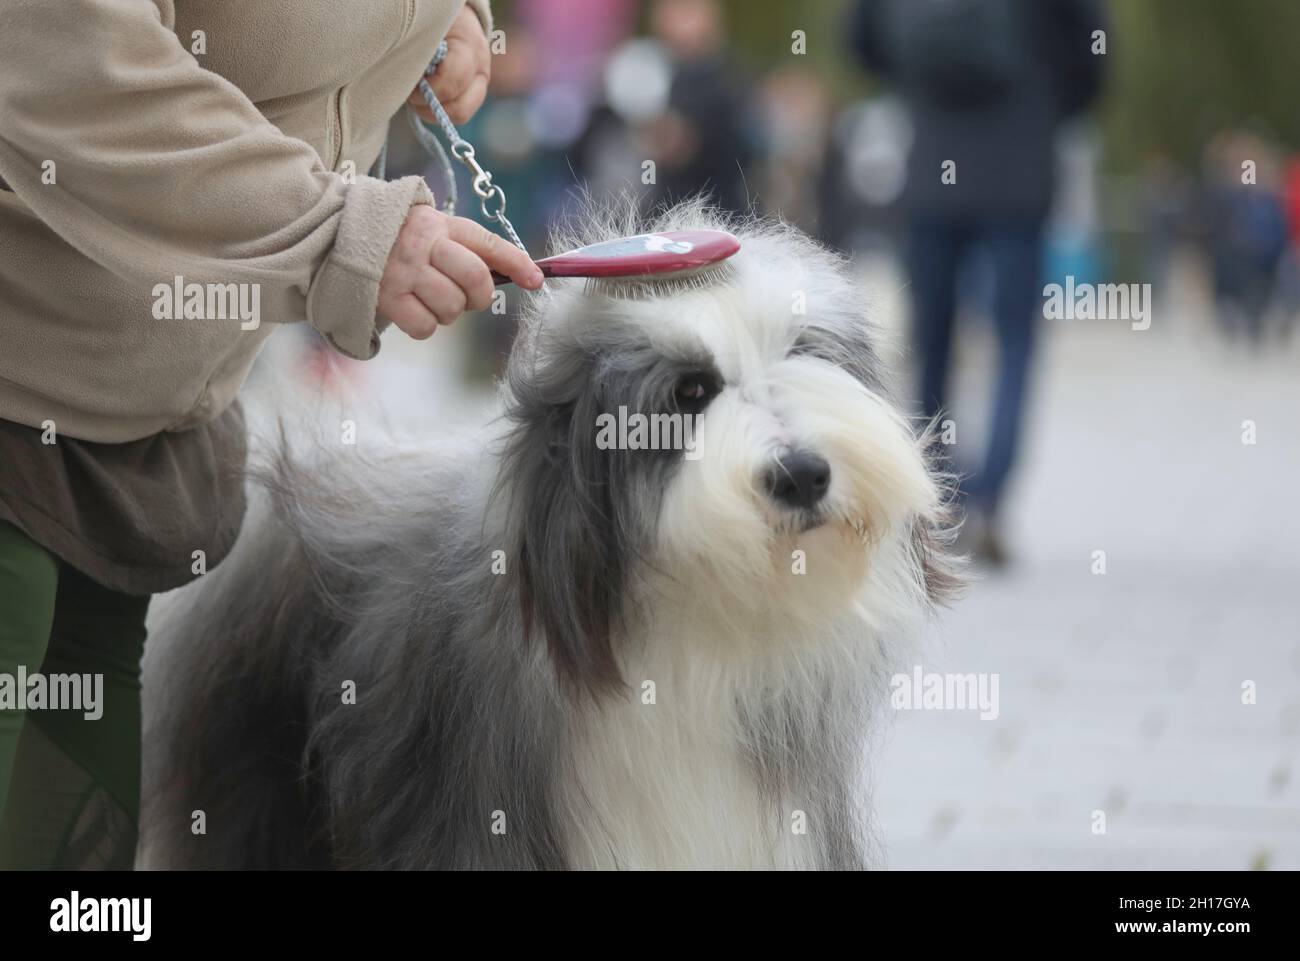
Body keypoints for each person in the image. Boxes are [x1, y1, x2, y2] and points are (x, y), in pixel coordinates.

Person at [0, 0, 542, 870]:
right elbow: (61, 56)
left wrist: (444, 20)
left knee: (83, 884)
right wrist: (344, 235)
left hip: (130, 444)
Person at [851, 0, 1105, 564]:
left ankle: (939, 494)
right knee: (1015, 340)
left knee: (932, 341)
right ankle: (992, 497)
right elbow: (1093, 56)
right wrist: (1043, 107)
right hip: (1021, 165)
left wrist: (922, 87)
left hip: (933, 164)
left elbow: (862, 42)